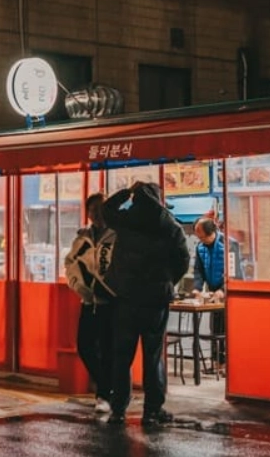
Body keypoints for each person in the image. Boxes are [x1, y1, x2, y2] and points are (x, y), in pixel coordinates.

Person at [102, 181, 189, 427]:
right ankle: (152, 410)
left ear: (136, 198)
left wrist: (125, 192)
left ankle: (118, 409)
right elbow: (183, 259)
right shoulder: (169, 225)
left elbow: (106, 210)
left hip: (126, 299)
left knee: (122, 355)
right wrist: (167, 281)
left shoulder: (126, 220)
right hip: (155, 301)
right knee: (152, 356)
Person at [64, 193, 117, 414]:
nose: (96, 214)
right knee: (85, 346)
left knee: (107, 350)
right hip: (88, 302)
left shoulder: (116, 236)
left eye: (100, 209)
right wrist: (78, 285)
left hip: (111, 303)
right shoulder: (82, 239)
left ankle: (104, 394)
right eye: (93, 210)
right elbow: (69, 264)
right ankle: (107, 388)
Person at [191, 216, 242, 370]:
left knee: (229, 331)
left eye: (203, 237)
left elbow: (235, 272)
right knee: (215, 329)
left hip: (229, 293)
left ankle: (230, 365)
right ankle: (217, 362)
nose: (201, 240)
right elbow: (198, 270)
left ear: (213, 232)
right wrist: (197, 289)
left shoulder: (229, 244)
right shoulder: (200, 247)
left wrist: (223, 290)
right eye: (198, 237)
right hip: (213, 293)